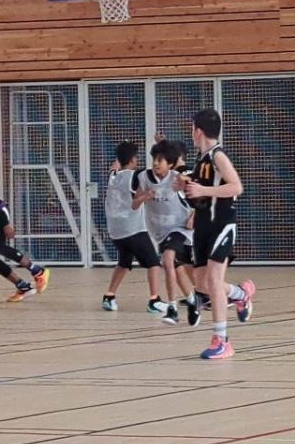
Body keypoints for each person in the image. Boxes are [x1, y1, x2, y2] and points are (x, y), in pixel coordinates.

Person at [177, 108, 257, 359]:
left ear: (198, 131)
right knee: (202, 285)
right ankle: (240, 294)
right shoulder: (200, 159)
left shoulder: (218, 155)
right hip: (202, 225)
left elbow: (236, 187)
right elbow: (201, 191)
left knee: (212, 280)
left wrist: (203, 191)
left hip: (221, 225)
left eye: (192, 128)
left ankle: (222, 341)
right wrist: (184, 187)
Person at [100, 142, 167, 313]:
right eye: (136, 157)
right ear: (132, 160)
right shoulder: (134, 175)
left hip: (115, 231)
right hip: (133, 229)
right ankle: (154, 300)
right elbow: (152, 175)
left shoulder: (113, 175)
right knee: (153, 263)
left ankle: (109, 296)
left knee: (124, 262)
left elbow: (116, 167)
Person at [142, 140, 198, 325]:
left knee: (168, 259)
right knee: (176, 268)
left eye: (161, 160)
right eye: (155, 159)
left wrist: (195, 215)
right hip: (161, 232)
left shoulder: (180, 176)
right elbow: (134, 200)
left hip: (181, 227)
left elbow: (201, 197)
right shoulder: (144, 178)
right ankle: (192, 299)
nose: (156, 163)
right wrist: (143, 197)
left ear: (171, 163)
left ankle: (172, 308)